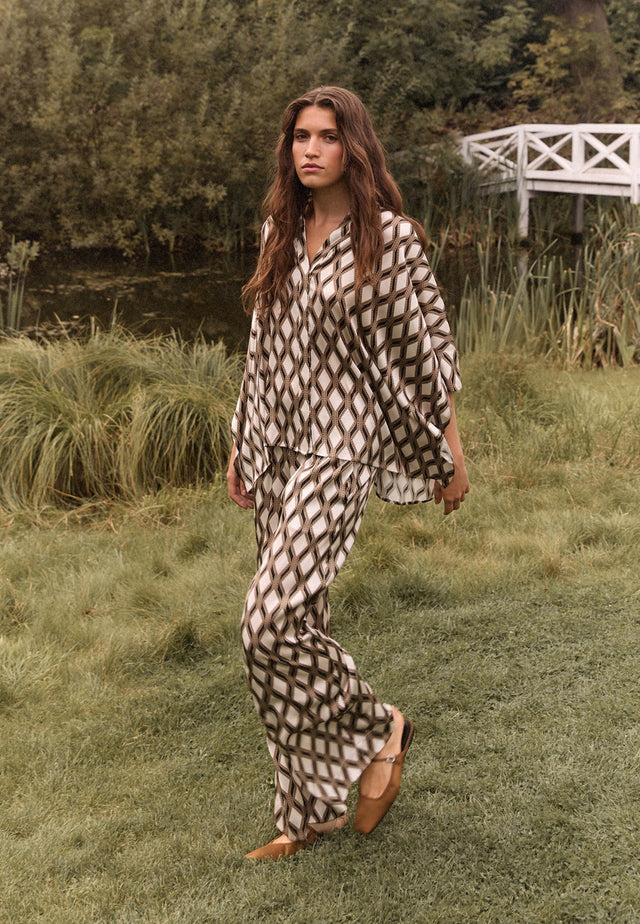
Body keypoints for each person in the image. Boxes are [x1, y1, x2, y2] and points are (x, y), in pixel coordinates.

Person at [227, 86, 469, 860]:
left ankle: (380, 728)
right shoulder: (280, 229)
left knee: (266, 624)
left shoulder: (388, 239)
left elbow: (426, 354)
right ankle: (307, 813)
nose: (311, 149)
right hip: (278, 444)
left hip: (341, 447)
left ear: (353, 148)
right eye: (301, 136)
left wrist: (449, 452)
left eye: (327, 136)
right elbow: (263, 347)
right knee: (303, 627)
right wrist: (242, 439)